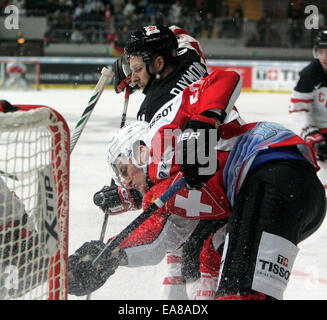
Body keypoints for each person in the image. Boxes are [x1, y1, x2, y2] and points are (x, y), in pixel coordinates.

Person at [68, 69, 326, 300]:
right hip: (293, 203)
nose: (125, 181)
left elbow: (224, 78)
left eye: (123, 170)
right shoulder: (164, 193)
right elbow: (157, 237)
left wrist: (203, 122)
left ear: (139, 151)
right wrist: (107, 257)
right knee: (221, 272)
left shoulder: (163, 131)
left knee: (240, 293)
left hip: (274, 170)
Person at [94, 24, 216, 299]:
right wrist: (135, 63)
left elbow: (161, 177)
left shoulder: (155, 112)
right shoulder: (190, 56)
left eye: (138, 70)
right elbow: (176, 32)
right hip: (218, 151)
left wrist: (127, 195)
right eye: (133, 68)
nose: (134, 78)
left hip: (206, 177)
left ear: (158, 63)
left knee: (188, 244)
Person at [289, 29, 327, 199]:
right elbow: (299, 110)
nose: (325, 56)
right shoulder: (309, 75)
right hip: (318, 129)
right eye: (321, 51)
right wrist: (313, 137)